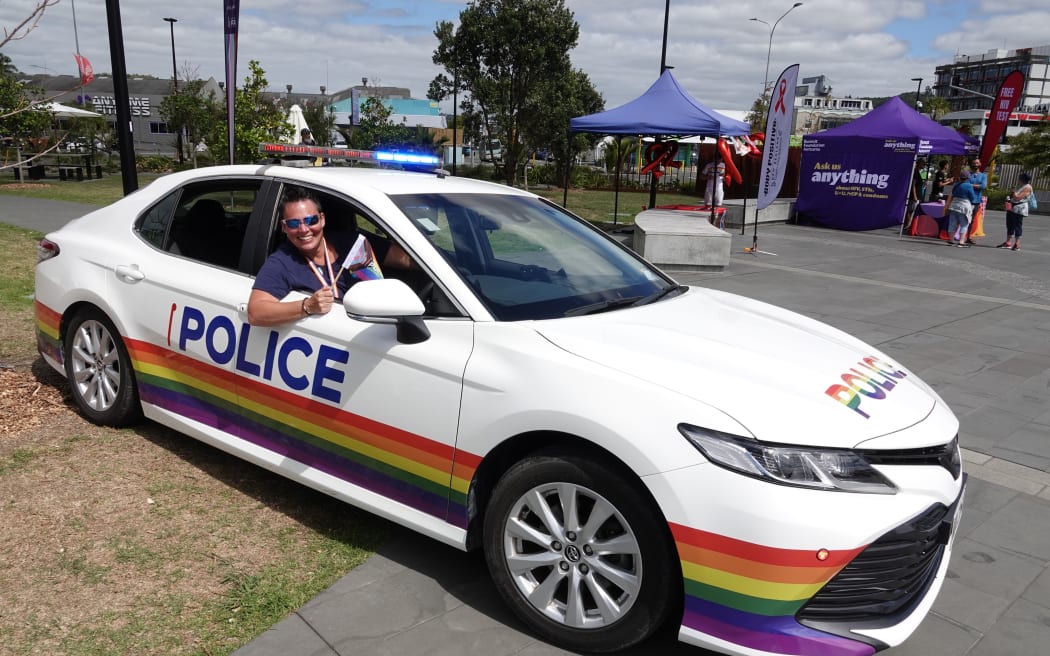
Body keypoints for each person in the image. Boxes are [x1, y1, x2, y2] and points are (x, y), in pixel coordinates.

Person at [247, 186, 357, 326]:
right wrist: (308, 306)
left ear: (322, 219)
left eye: (311, 220)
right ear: (284, 227)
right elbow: (255, 313)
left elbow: (394, 254)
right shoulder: (282, 262)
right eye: (293, 223)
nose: (304, 230)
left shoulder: (352, 243)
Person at [943, 169, 981, 247]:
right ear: (967, 178)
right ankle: (961, 242)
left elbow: (952, 194)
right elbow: (972, 197)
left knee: (952, 223)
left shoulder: (956, 185)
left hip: (954, 205)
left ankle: (951, 240)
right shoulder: (969, 186)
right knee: (964, 224)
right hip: (964, 206)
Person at [997, 172, 1033, 251]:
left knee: (1017, 226)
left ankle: (1017, 244)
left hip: (1019, 209)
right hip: (1012, 208)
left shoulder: (1027, 187)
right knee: (1010, 225)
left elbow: (1018, 198)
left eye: (1020, 178)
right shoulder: (1022, 186)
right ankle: (1008, 242)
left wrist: (1013, 192)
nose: (1018, 179)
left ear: (1022, 179)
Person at [965, 157, 988, 245]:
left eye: (977, 163)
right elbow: (965, 184)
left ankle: (968, 236)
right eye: (974, 163)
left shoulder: (983, 176)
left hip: (977, 201)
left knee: (972, 220)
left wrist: (970, 185)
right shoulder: (968, 174)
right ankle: (960, 235)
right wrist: (975, 185)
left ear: (980, 164)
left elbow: (983, 186)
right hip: (967, 200)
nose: (975, 165)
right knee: (963, 219)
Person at [904, 158, 925, 231]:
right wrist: (915, 196)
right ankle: (908, 225)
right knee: (910, 210)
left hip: (917, 195)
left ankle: (908, 225)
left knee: (912, 210)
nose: (924, 165)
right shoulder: (915, 172)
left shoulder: (918, 172)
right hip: (914, 196)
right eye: (923, 164)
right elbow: (913, 185)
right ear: (919, 164)